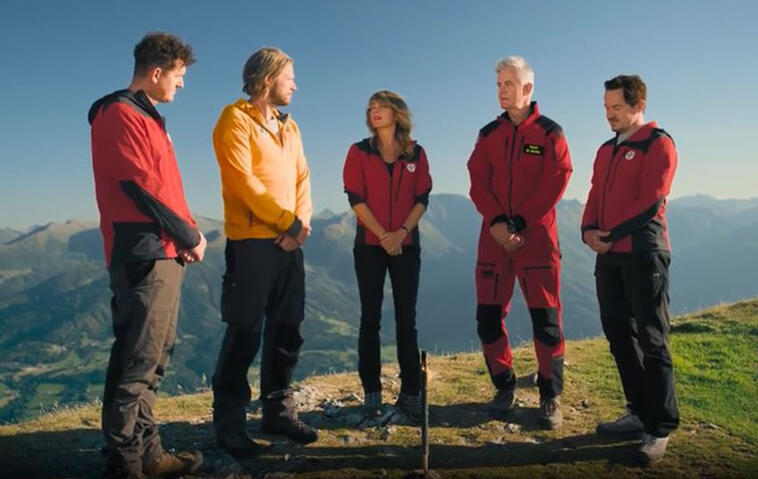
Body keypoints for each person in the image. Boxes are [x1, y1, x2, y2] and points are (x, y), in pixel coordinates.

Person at [89, 32, 206, 479]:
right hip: (143, 252)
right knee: (136, 365)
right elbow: (140, 186)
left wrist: (184, 238)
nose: (181, 85)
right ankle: (126, 465)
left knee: (153, 360)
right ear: (156, 73)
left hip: (164, 250)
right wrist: (191, 234)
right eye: (178, 76)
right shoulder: (118, 113)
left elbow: (167, 187)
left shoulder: (150, 118)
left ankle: (149, 455)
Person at [211, 47, 317, 457]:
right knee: (245, 330)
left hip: (290, 243)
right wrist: (287, 222)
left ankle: (277, 411)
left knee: (288, 327)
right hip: (252, 242)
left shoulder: (290, 128)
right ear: (268, 78)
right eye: (290, 76)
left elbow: (303, 178)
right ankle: (230, 423)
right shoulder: (234, 120)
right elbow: (242, 183)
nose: (295, 84)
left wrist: (300, 225)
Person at [467, 56, 572, 429]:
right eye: (498, 84)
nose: (502, 90)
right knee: (488, 319)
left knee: (546, 321)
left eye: (509, 84)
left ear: (528, 88)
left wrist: (520, 222)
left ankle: (549, 395)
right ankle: (504, 386)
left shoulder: (549, 132)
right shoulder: (488, 134)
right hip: (493, 239)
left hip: (537, 240)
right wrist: (497, 222)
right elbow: (477, 180)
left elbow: (557, 180)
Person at [582, 74, 679, 465]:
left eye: (617, 108)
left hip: (643, 252)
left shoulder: (659, 143)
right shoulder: (606, 149)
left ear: (638, 105)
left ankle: (659, 429)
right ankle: (638, 411)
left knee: (653, 339)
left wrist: (611, 233)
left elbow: (652, 199)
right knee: (619, 334)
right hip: (607, 254)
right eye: (606, 108)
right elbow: (592, 193)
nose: (609, 115)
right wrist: (588, 230)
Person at [343, 90, 433, 422]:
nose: (374, 112)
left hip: (406, 245)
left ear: (397, 113)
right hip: (369, 244)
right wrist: (383, 235)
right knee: (370, 318)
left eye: (381, 107)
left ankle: (410, 392)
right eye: (371, 108)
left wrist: (401, 234)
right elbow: (355, 198)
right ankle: (372, 393)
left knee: (406, 319)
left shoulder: (416, 153)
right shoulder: (358, 152)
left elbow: (422, 197)